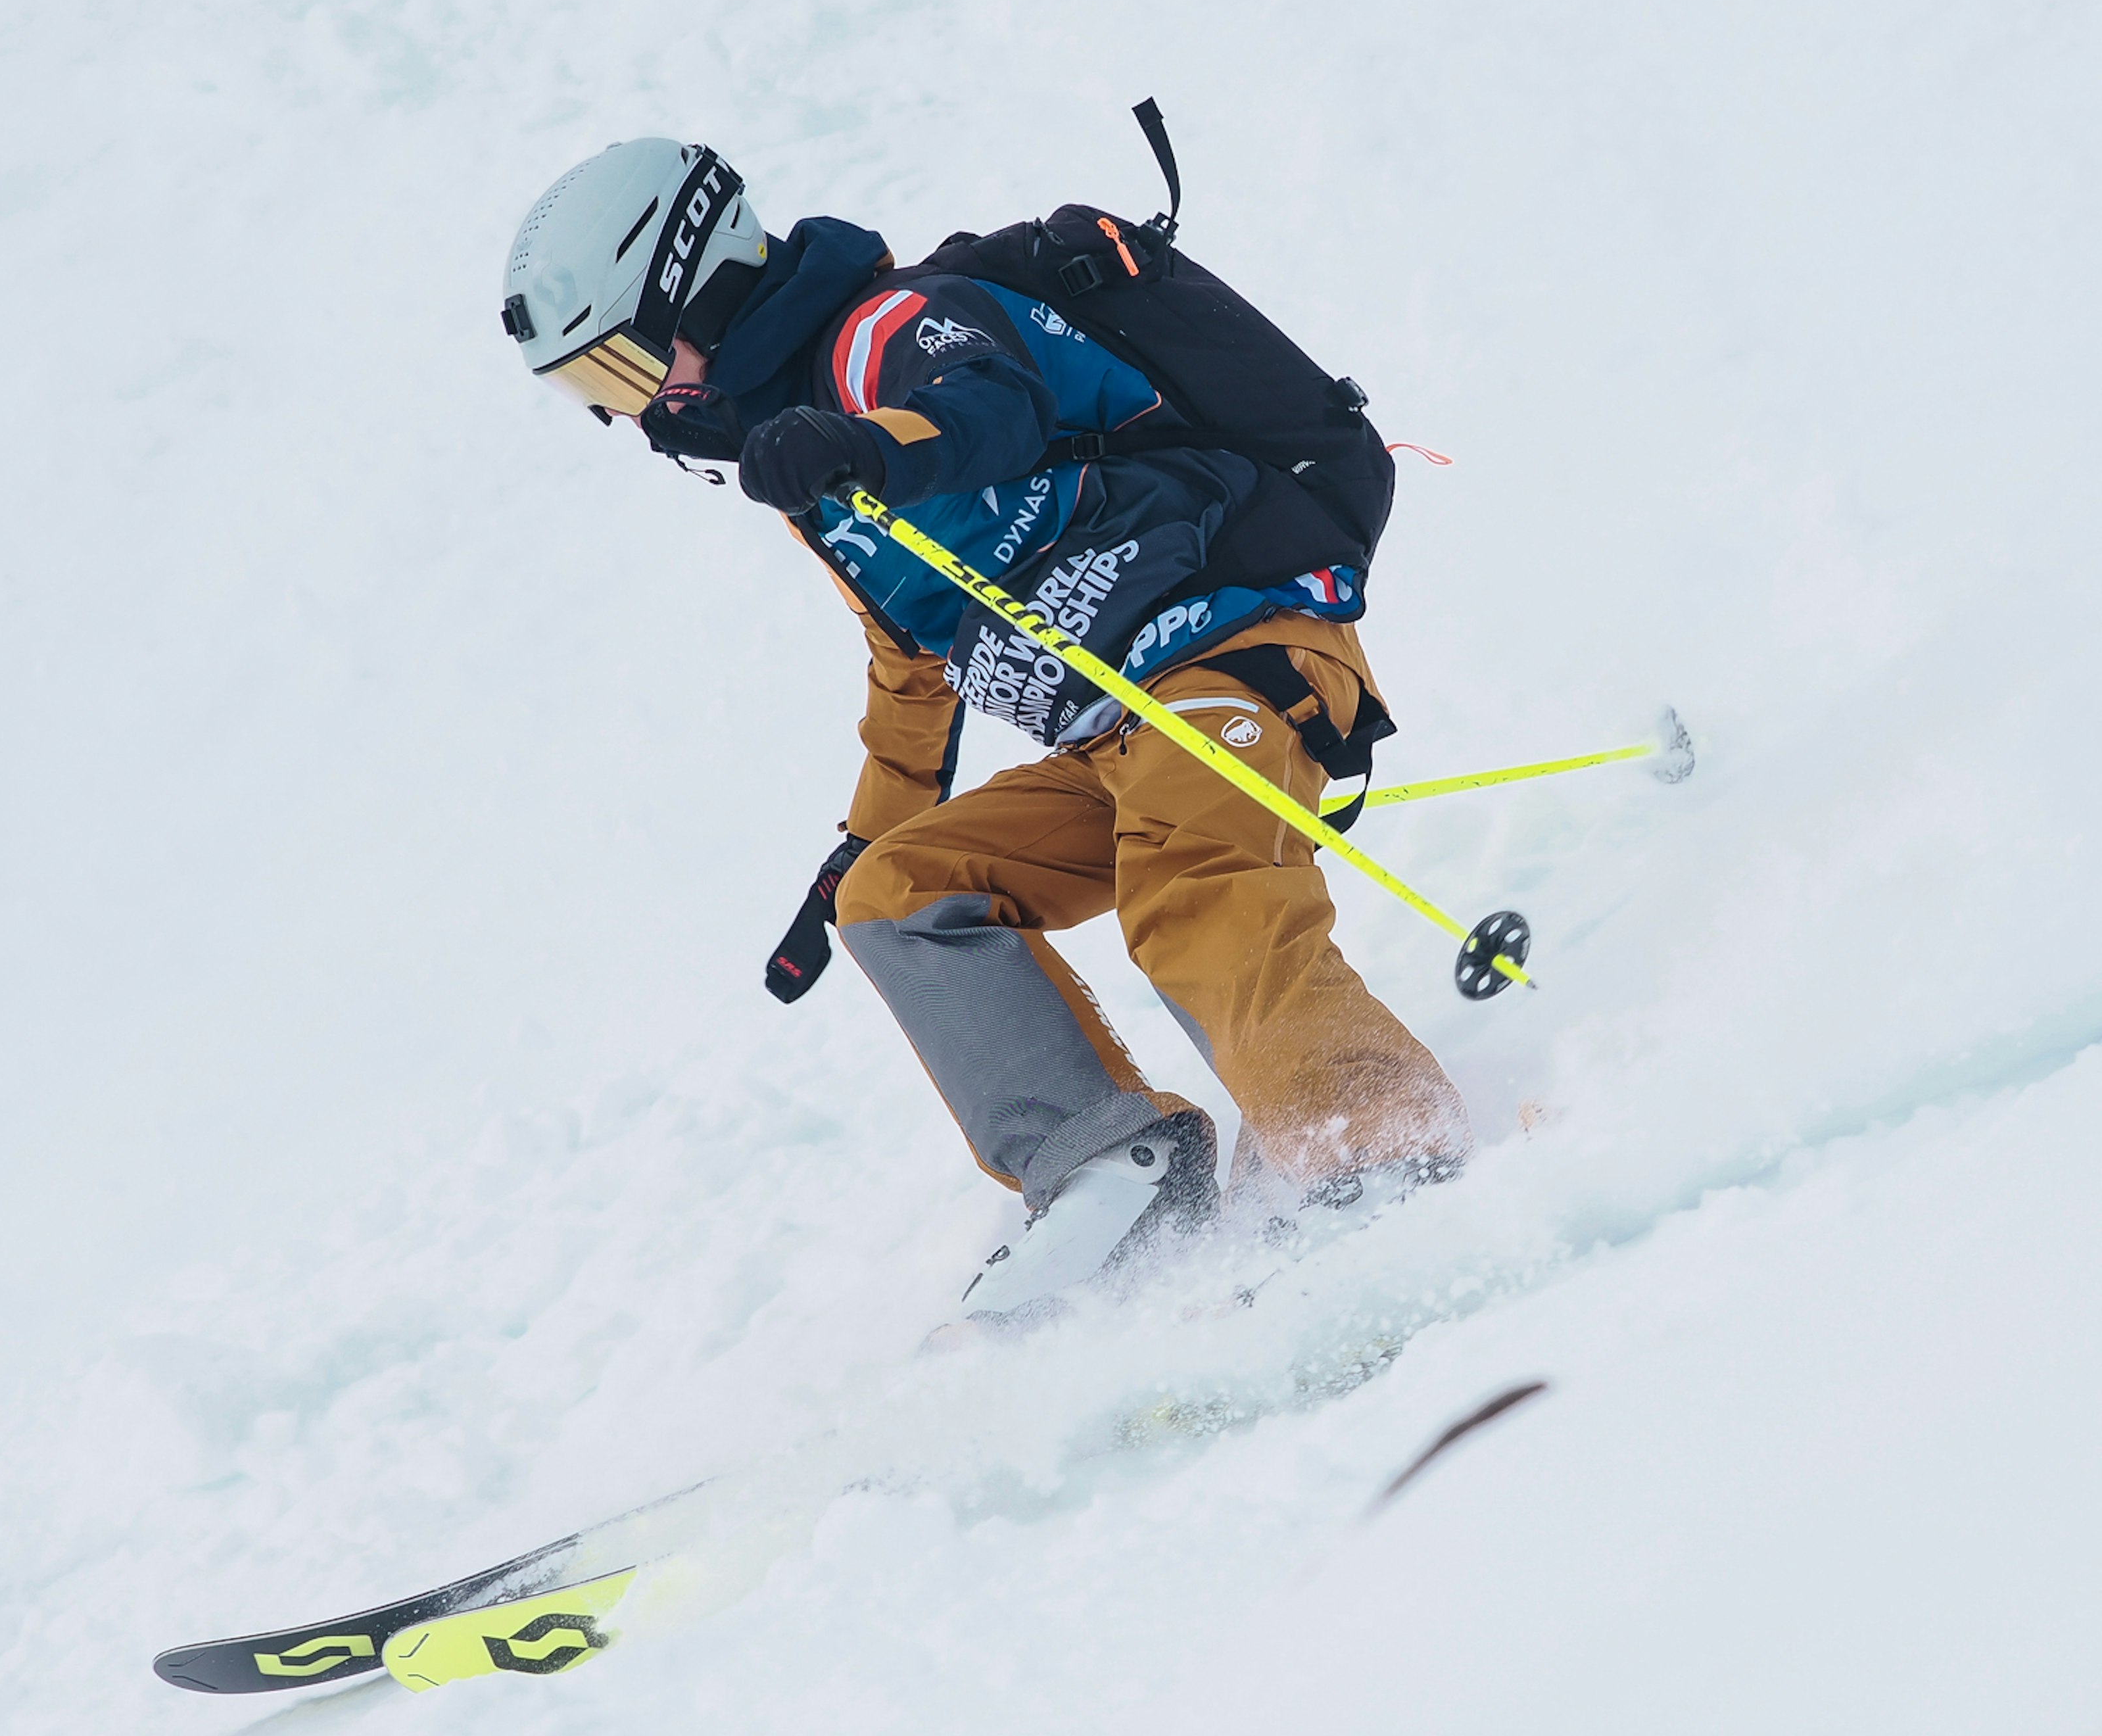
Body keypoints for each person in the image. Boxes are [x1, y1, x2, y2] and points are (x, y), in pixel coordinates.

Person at [499, 135, 1470, 1324]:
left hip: (1237, 653)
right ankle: (1117, 1180)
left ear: (701, 285)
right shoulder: (811, 468)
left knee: (1195, 891)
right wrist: (856, 851)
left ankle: (1384, 1160)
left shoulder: (894, 328)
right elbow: (912, 668)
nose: (637, 405)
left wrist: (862, 447)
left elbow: (989, 414)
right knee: (904, 900)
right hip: (1116, 733)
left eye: (623, 360)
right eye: (591, 390)